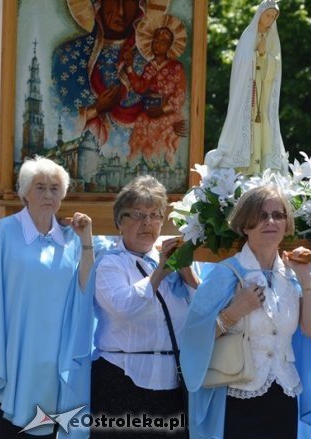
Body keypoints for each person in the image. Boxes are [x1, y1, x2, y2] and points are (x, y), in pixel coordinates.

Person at [181, 185, 311, 438]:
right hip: (235, 397)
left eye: (278, 215)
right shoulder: (225, 273)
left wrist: (306, 279)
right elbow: (193, 339)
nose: (271, 221)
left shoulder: (295, 274)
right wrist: (235, 312)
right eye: (261, 215)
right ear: (245, 225)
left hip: (284, 396)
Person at [0, 156, 94, 438]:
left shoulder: (72, 238)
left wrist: (87, 241)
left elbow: (87, 288)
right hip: (13, 355)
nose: (48, 194)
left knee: (49, 431)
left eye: (55, 188)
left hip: (55, 361)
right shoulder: (3, 233)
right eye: (40, 187)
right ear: (24, 192)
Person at [90, 175, 199, 438]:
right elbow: (125, 307)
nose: (147, 222)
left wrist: (187, 273)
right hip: (121, 379)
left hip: (171, 382)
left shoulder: (176, 258)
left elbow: (203, 314)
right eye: (137, 214)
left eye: (155, 215)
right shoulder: (110, 263)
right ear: (119, 221)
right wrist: (160, 271)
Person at [51, 0, 150, 149]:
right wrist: (95, 109)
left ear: (140, 7)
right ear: (98, 4)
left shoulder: (149, 65)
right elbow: (59, 121)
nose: (121, 12)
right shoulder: (68, 57)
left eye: (130, 2)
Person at [205, 0, 287, 175]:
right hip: (248, 94)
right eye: (268, 15)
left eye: (273, 17)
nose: (270, 19)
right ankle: (245, 168)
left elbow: (276, 66)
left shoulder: (272, 37)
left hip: (262, 94)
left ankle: (262, 169)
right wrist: (255, 53)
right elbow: (242, 63)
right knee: (246, 130)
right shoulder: (248, 35)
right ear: (259, 15)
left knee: (264, 129)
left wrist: (264, 55)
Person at [124, 16, 188, 166]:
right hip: (150, 111)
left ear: (169, 46)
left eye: (163, 42)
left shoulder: (175, 67)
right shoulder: (150, 66)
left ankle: (162, 165)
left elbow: (179, 95)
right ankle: (138, 164)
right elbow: (140, 87)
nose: (158, 45)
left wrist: (162, 109)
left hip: (168, 113)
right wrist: (129, 66)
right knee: (141, 123)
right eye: (155, 41)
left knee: (162, 133)